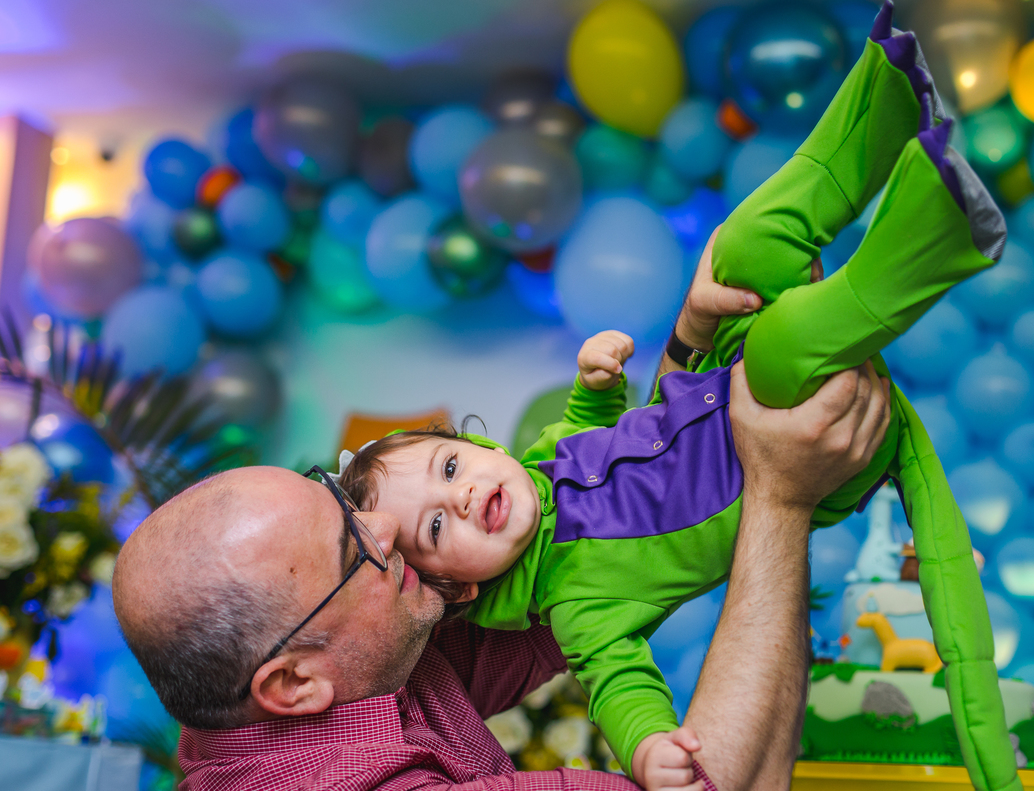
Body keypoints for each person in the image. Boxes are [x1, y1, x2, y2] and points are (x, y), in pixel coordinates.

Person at [335, 2, 1016, 791]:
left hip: (718, 383)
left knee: (739, 250)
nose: (466, 497)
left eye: (451, 470)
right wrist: (649, 746)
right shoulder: (576, 605)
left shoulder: (540, 461)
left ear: (480, 448)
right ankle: (942, 226)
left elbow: (595, 427)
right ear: (458, 588)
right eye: (437, 525)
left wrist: (598, 383)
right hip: (787, 444)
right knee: (790, 341)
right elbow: (619, 684)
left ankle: (886, 102)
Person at [111, 238, 893, 790]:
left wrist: (693, 343)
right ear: (292, 683)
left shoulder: (373, 653)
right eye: (355, 550)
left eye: (335, 495)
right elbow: (724, 782)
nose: (391, 531)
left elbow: (610, 532)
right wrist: (781, 497)